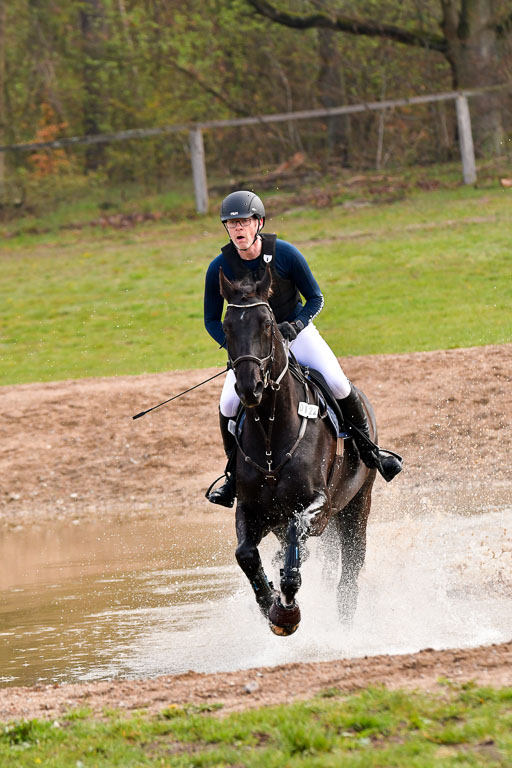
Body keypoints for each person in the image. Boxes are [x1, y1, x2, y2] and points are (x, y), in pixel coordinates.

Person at [204, 190, 402, 507]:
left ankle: (369, 451)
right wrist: (239, 348)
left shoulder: (285, 254)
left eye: (243, 221)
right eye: (231, 224)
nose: (237, 229)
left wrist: (295, 326)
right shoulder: (220, 266)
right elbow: (211, 319)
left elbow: (315, 299)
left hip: (295, 334)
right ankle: (233, 478)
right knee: (228, 403)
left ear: (258, 222)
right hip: (254, 350)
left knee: (336, 382)